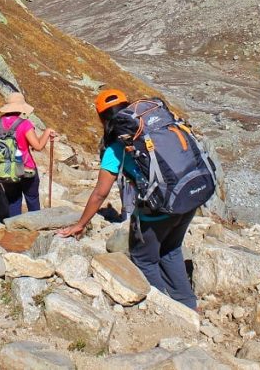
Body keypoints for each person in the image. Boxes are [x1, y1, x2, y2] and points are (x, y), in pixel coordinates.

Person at [58, 89, 198, 311]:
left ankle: (165, 310)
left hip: (159, 206)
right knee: (170, 249)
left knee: (144, 258)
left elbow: (100, 193)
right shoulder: (158, 131)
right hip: (188, 195)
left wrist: (80, 224)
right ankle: (189, 306)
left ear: (102, 118)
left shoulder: (116, 149)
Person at [0, 92, 55, 218]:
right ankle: (35, 225)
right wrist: (47, 132)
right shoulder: (25, 124)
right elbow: (38, 146)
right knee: (32, 198)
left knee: (13, 199)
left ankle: (15, 228)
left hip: (5, 168)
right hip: (26, 168)